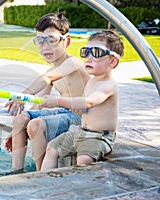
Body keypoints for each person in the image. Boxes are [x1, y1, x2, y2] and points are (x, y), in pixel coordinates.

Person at [3, 12, 90, 174]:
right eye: (40, 41)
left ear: (67, 41)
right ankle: (15, 172)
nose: (45, 47)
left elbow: (47, 77)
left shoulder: (73, 63)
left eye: (52, 40)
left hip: (82, 116)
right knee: (20, 119)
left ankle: (41, 175)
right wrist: (17, 130)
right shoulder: (52, 71)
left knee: (36, 125)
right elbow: (39, 104)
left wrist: (22, 96)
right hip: (65, 113)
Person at [40, 29, 124, 170]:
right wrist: (78, 109)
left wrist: (58, 101)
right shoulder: (92, 81)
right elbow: (85, 106)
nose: (89, 58)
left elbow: (89, 102)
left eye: (96, 53)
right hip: (81, 131)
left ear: (113, 61)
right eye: (86, 52)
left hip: (99, 137)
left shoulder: (109, 85)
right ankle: (43, 182)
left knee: (84, 159)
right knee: (51, 149)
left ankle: (83, 189)